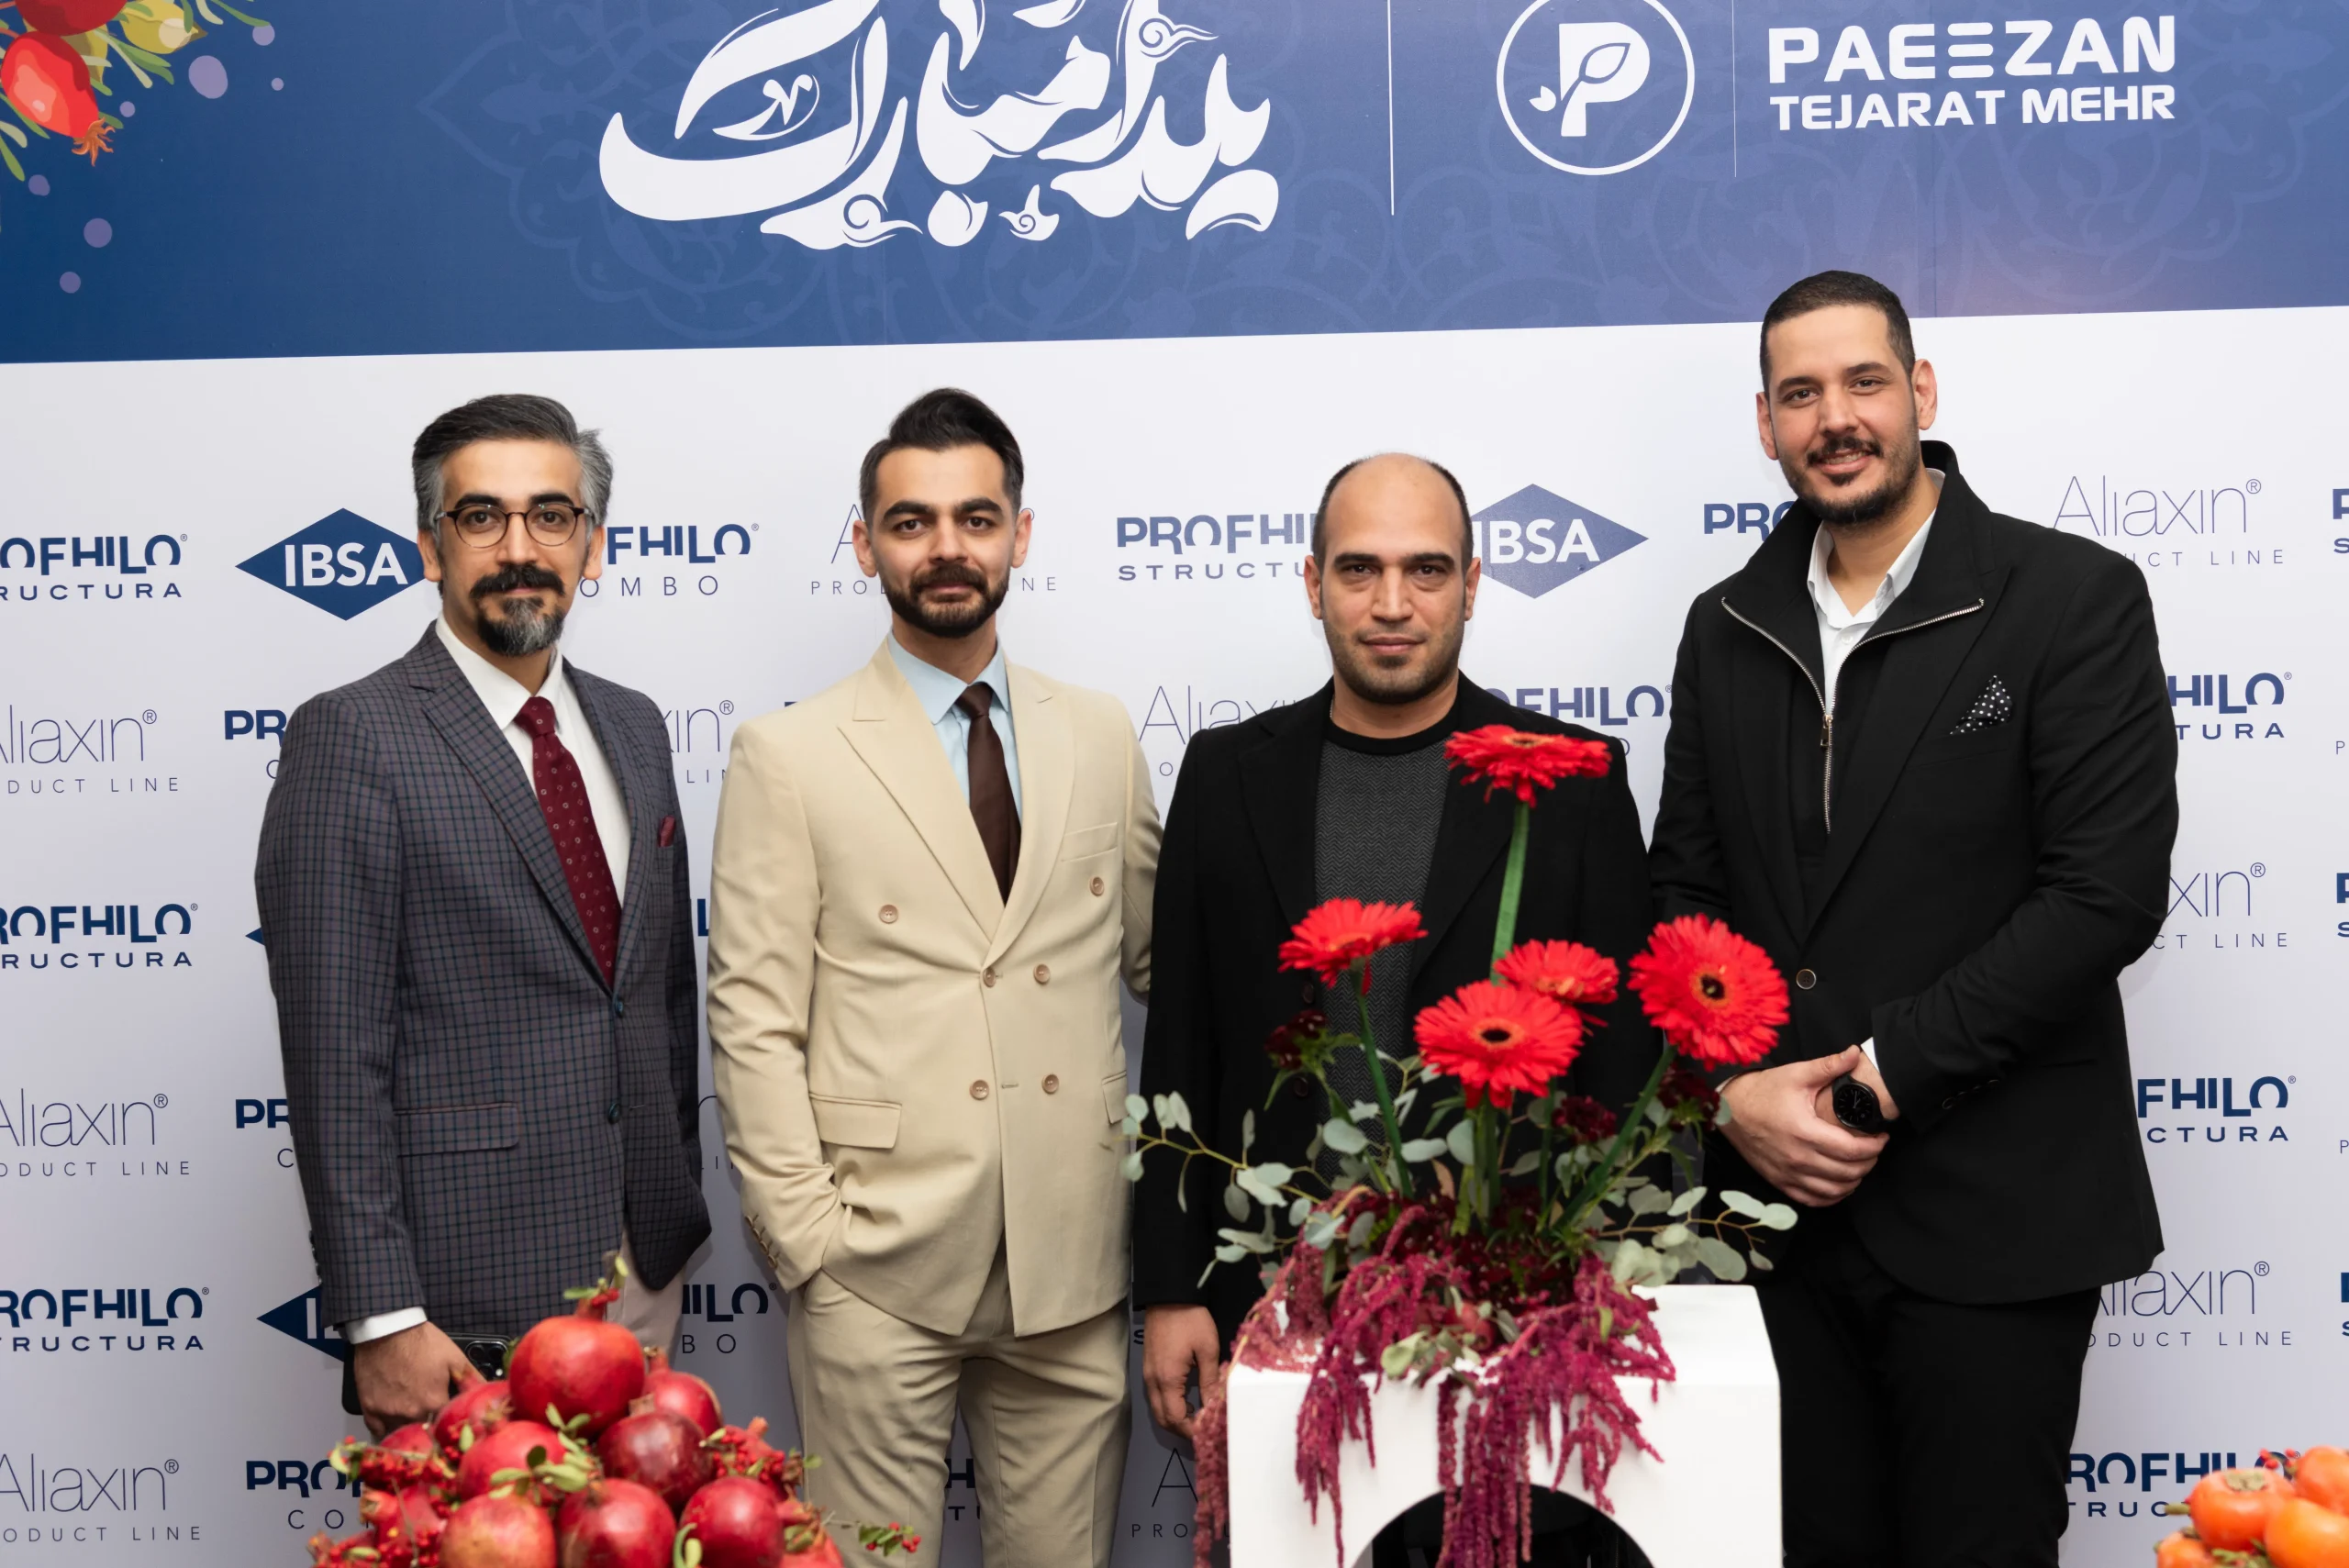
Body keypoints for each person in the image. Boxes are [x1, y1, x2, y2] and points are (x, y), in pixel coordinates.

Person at [1649, 271, 2175, 1566]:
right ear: (1765, 424)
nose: (1835, 417)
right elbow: (1684, 906)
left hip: (1994, 1216)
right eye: (1800, 393)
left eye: (1864, 382)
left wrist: (1878, 1077)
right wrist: (1730, 1093)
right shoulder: (1725, 626)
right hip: (1767, 1225)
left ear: (1921, 393)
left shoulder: (2070, 597)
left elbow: (2103, 893)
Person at [1132, 454, 1655, 1497]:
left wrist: (1619, 1285)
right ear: (1312, 582)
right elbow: (1180, 1038)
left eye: (1425, 569)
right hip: (1271, 1299)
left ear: (1473, 582)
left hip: (1514, 1312)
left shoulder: (1576, 778)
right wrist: (1170, 1285)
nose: (1390, 603)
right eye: (1358, 569)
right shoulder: (1225, 774)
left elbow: (1625, 1063)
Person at [706, 388, 1159, 1567]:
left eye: (975, 517)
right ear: (865, 544)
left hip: (1072, 1260)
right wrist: (807, 1238)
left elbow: (1162, 960)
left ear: (1020, 533)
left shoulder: (1101, 733)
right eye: (911, 522)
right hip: (875, 1258)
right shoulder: (788, 751)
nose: (946, 547)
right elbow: (752, 1016)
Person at [257, 394, 708, 1436]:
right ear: (430, 547)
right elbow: (334, 1053)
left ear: (592, 544)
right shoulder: (353, 735)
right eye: (480, 517)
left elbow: (657, 997)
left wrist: (673, 1202)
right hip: (462, 1298)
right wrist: (382, 1314)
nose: (518, 549)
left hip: (643, 1270)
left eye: (551, 516)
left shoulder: (635, 726)